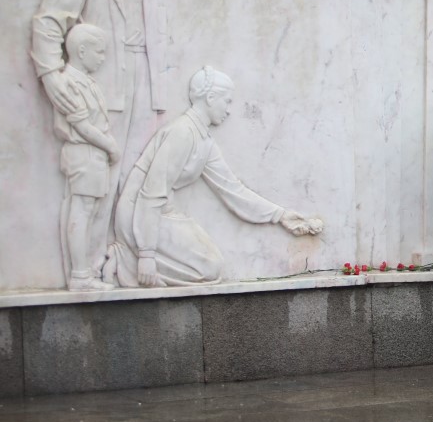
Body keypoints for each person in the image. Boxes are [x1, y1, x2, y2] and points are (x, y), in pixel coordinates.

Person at [31, 0, 170, 277]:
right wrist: (51, 74)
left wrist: (158, 94)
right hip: (101, 87)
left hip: (143, 84)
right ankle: (85, 271)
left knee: (133, 180)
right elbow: (48, 23)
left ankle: (122, 263)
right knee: (96, 186)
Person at [107, 67, 323, 287]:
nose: (228, 110)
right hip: (138, 214)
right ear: (210, 98)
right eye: (226, 101)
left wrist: (280, 215)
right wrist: (146, 255)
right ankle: (126, 260)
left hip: (162, 212)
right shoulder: (182, 132)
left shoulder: (203, 141)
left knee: (212, 267)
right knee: (210, 268)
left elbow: (233, 190)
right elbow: (151, 194)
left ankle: (127, 258)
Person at [54, 24, 120, 291]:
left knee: (88, 210)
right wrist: (111, 146)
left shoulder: (85, 80)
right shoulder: (68, 82)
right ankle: (80, 276)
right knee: (81, 210)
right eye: (99, 52)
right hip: (84, 152)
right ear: (82, 51)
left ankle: (84, 273)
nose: (103, 58)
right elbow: (82, 126)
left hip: (92, 154)